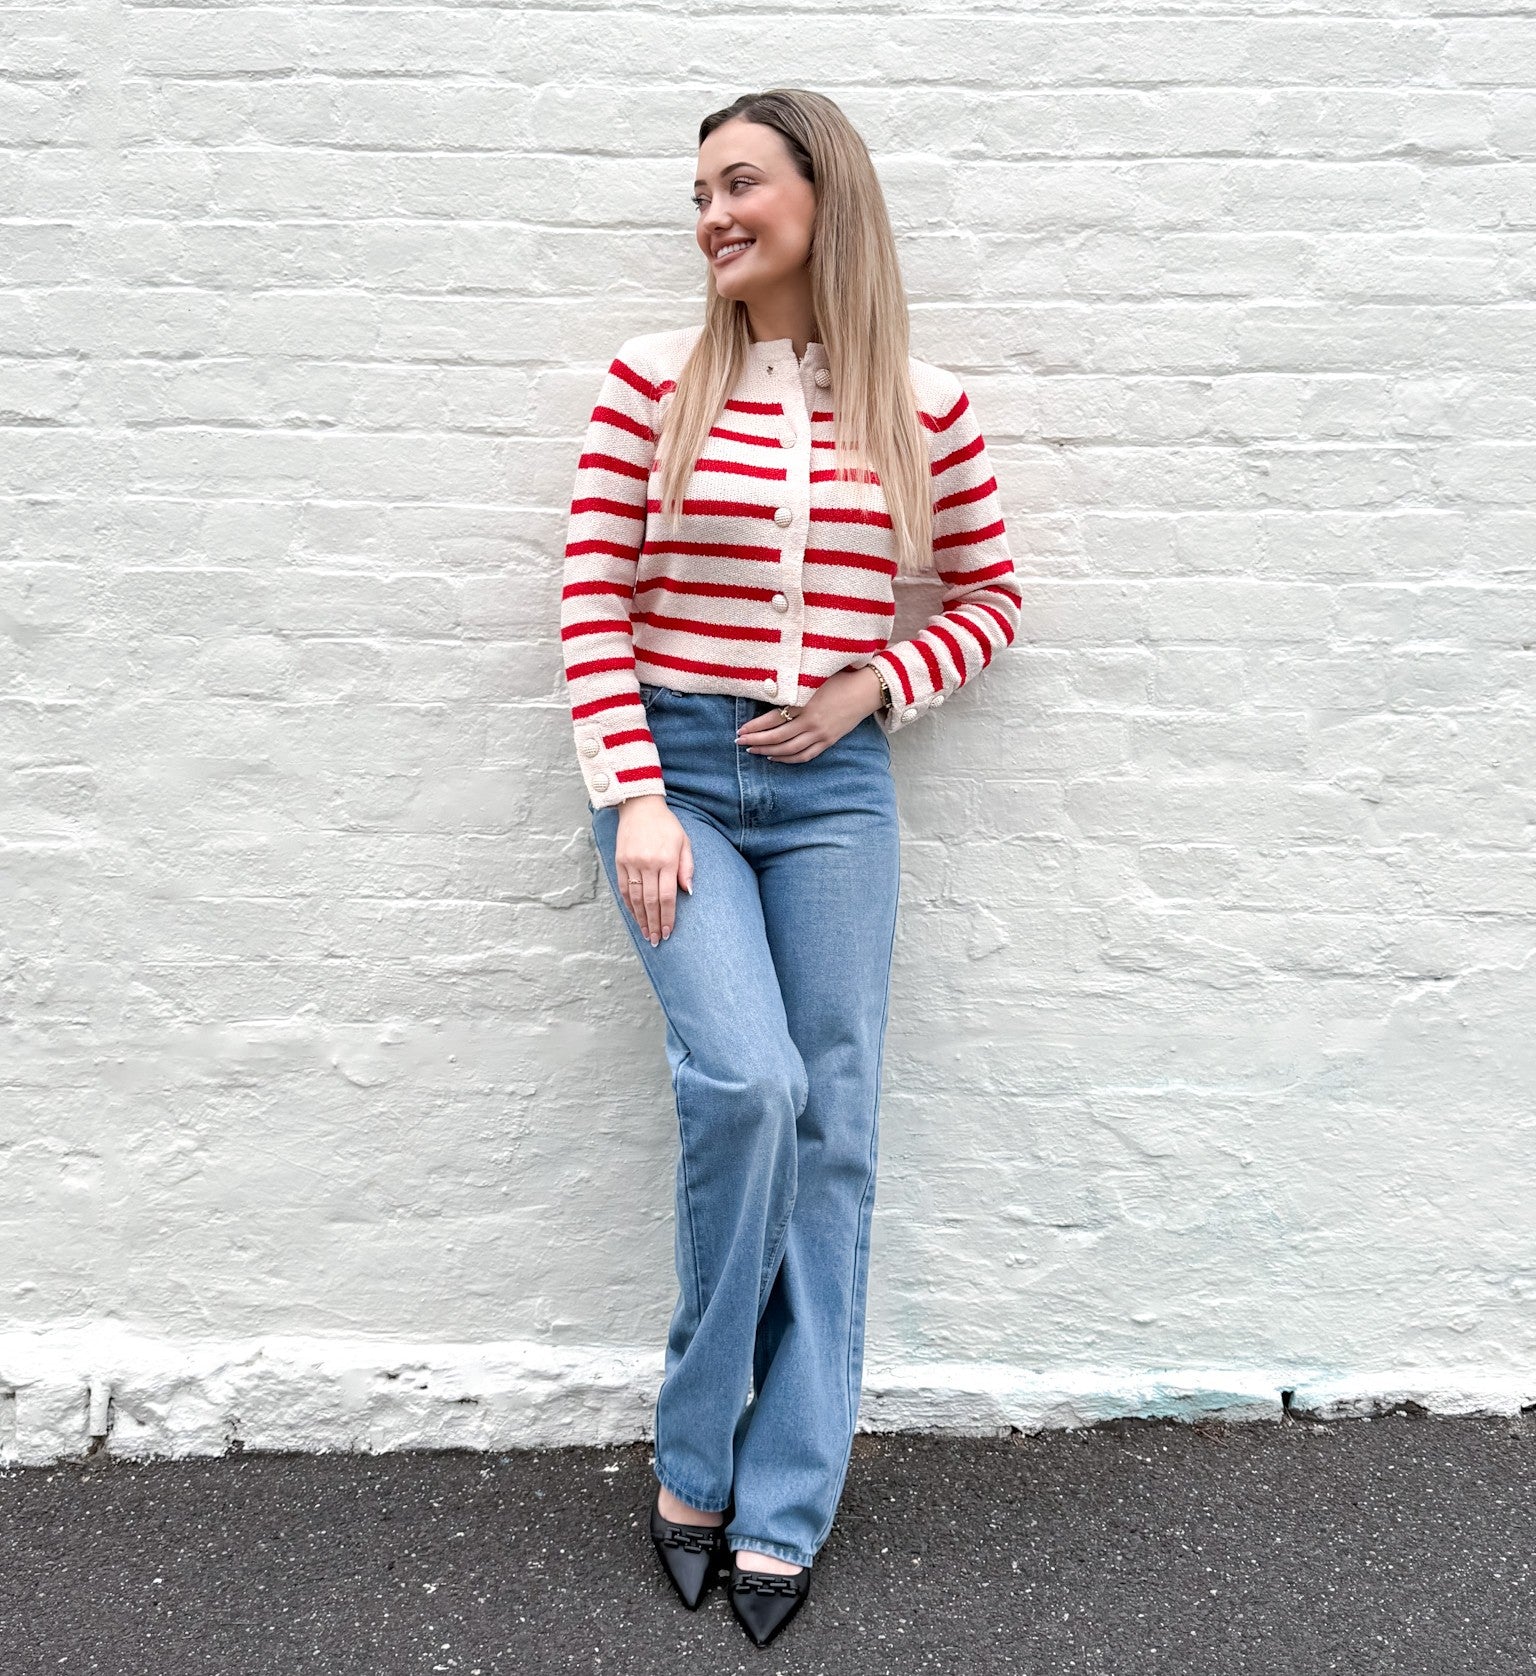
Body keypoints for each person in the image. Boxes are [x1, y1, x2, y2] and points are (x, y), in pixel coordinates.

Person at [559, 87, 1022, 1649]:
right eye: (699, 192)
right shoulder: (650, 384)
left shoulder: (922, 404)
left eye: (739, 181)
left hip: (835, 796)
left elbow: (994, 594)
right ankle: (691, 1456)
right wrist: (636, 797)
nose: (712, 215)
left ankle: (784, 1497)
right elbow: (589, 604)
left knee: (836, 1130)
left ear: (826, 194)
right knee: (746, 1086)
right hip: (677, 785)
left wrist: (871, 686)